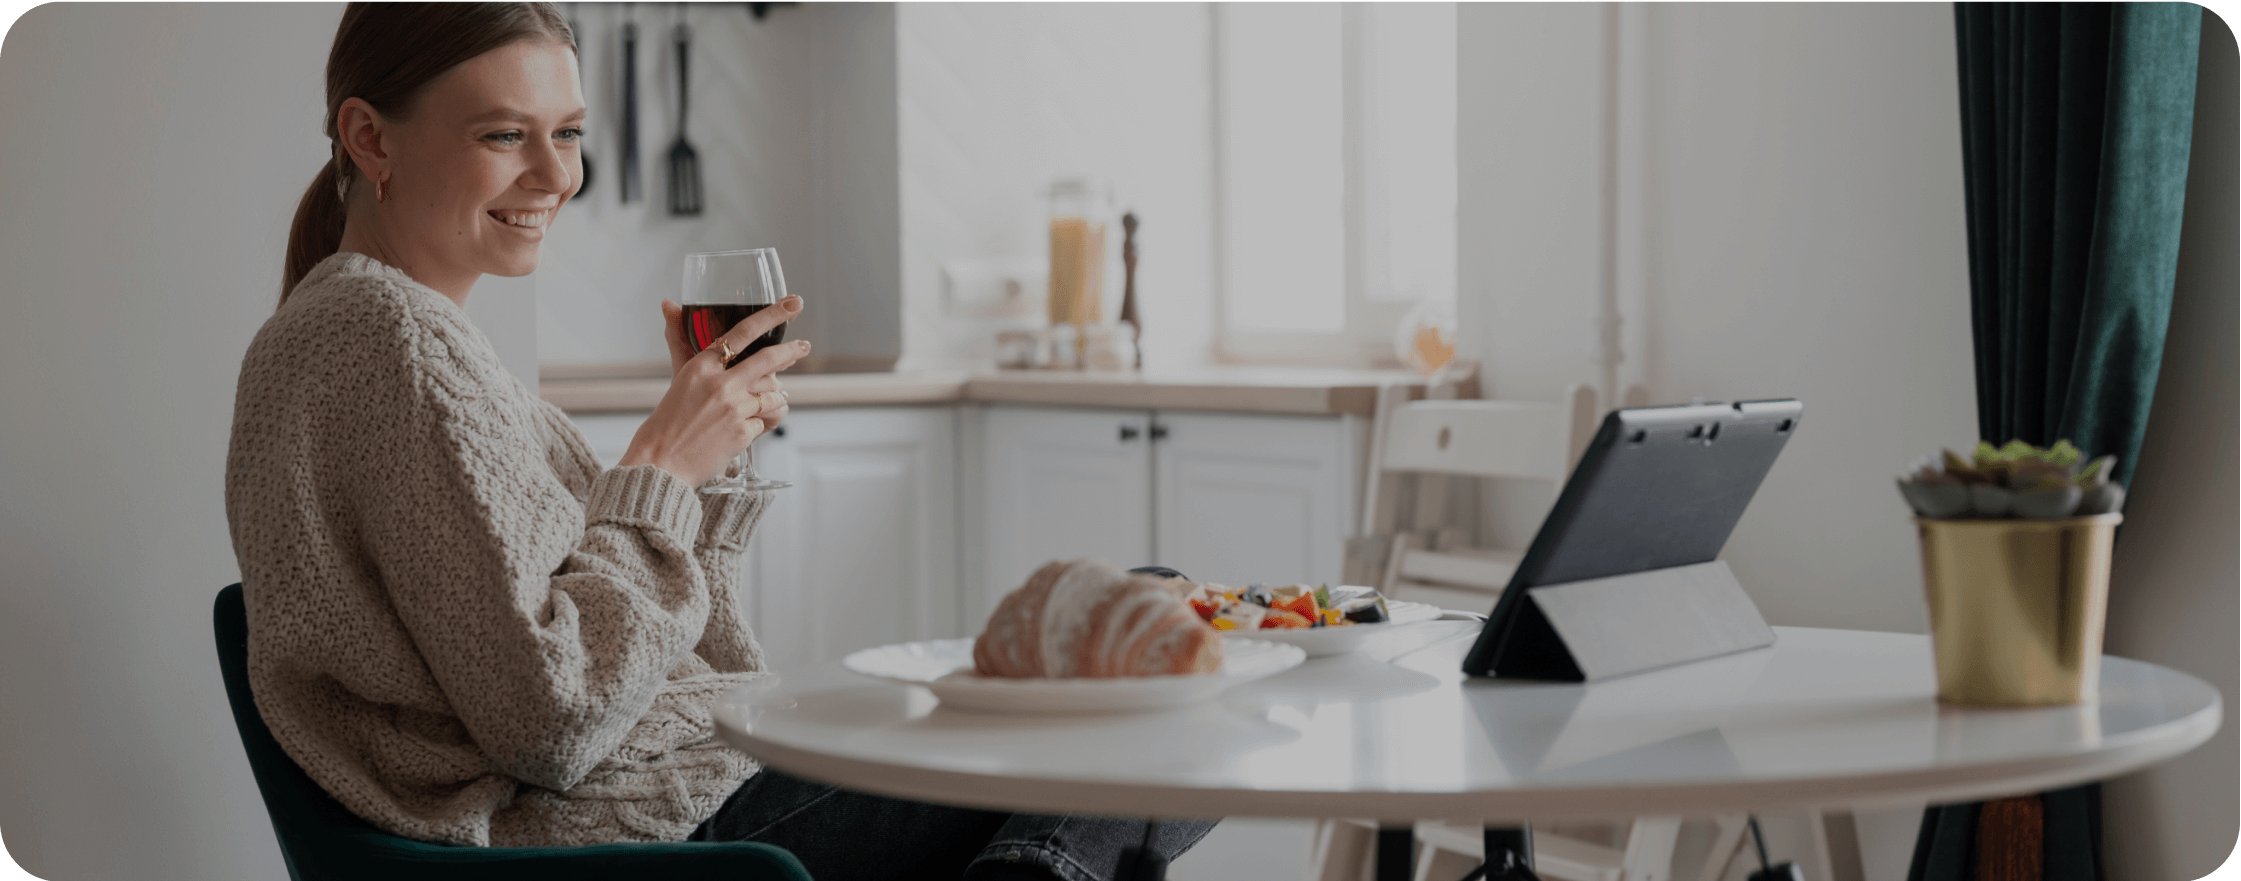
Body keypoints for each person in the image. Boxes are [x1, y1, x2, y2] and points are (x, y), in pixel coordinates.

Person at [223, 4, 1210, 880]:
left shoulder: (393, 339)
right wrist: (659, 470)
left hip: (697, 789)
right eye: (503, 135)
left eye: (567, 133)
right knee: (1174, 675)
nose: (555, 174)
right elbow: (553, 722)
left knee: (1156, 614)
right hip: (648, 836)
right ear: (369, 137)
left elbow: (698, 660)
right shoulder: (386, 340)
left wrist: (705, 471)